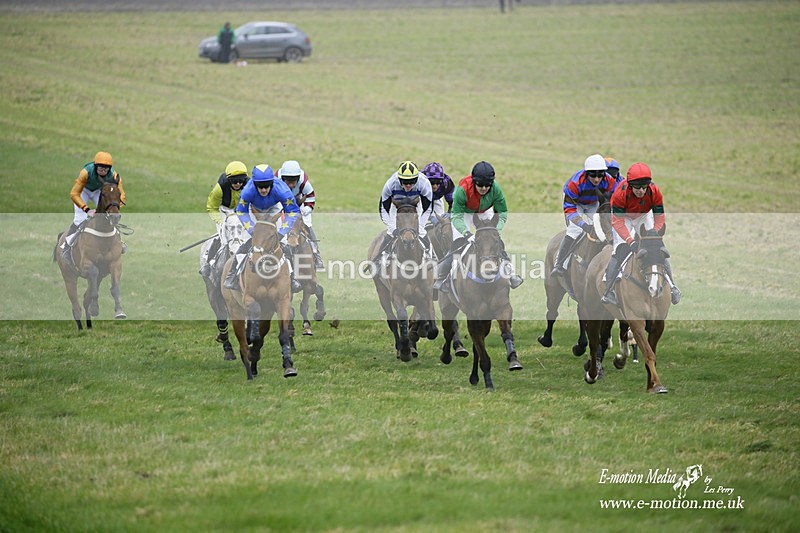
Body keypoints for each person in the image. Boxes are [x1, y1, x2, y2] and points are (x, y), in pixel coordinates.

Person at [433, 161, 523, 293]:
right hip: (464, 213)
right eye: (480, 185)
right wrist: (466, 234)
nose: (484, 188)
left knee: (496, 241)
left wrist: (494, 231)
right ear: (474, 181)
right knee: (457, 245)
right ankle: (442, 279)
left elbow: (502, 214)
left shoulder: (496, 190)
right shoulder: (462, 190)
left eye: (487, 185)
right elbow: (456, 217)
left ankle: (512, 275)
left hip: (484, 211)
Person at [600, 162, 682, 306]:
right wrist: (630, 241)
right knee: (620, 248)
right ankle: (608, 291)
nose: (641, 191)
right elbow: (618, 223)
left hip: (643, 215)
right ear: (630, 185)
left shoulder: (654, 191)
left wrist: (654, 235)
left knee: (657, 248)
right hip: (623, 218)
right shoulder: (620, 193)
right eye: (637, 187)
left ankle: (673, 286)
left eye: (644, 187)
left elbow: (660, 217)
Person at [223, 164, 302, 293]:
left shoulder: (283, 190)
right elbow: (241, 211)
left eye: (266, 186)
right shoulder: (248, 191)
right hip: (254, 209)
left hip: (273, 208)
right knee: (248, 242)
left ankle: (293, 278)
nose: (264, 190)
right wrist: (252, 231)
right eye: (260, 187)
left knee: (282, 243)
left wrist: (282, 233)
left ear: (272, 183)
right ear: (255, 185)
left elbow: (293, 211)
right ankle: (232, 275)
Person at [551, 154, 619, 277]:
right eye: (593, 175)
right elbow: (569, 210)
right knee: (574, 230)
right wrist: (583, 225)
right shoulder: (575, 183)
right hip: (575, 204)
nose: (597, 179)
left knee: (601, 227)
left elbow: (616, 198)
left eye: (600, 175)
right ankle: (559, 263)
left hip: (592, 203)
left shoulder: (609, 180)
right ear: (587, 173)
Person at [61, 151, 126, 262]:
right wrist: (86, 209)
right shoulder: (86, 172)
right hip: (83, 191)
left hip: (99, 192)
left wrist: (113, 208)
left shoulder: (115, 176)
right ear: (95, 166)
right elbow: (74, 194)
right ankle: (66, 246)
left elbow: (121, 195)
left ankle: (120, 241)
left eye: (106, 168)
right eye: (100, 167)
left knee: (111, 216)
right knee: (79, 220)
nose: (103, 170)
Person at [374, 161, 434, 266]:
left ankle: (429, 255)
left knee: (422, 231)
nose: (408, 185)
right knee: (391, 231)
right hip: (396, 205)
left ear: (416, 179)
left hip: (416, 205)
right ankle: (383, 255)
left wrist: (420, 225)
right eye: (405, 182)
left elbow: (428, 209)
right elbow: (383, 209)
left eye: (411, 182)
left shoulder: (424, 184)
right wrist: (392, 227)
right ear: (399, 179)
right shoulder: (390, 184)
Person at [200, 160, 249, 279]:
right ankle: (209, 262)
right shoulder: (219, 188)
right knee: (224, 237)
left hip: (241, 212)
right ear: (228, 180)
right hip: (224, 211)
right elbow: (212, 207)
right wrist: (221, 223)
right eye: (234, 181)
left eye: (241, 181)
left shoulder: (249, 185)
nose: (238, 184)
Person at [277, 160, 324, 271]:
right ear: (283, 179)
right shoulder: (276, 181)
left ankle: (316, 255)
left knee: (307, 223)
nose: (291, 185)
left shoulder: (304, 182)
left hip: (300, 203)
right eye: (288, 181)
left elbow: (311, 199)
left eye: (293, 182)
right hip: (280, 204)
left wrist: (304, 211)